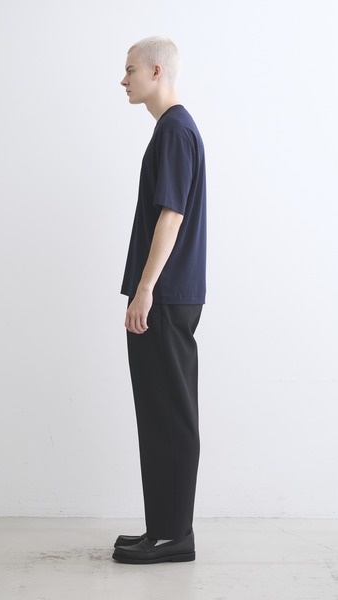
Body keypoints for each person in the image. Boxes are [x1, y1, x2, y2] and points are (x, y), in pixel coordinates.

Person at [112, 36, 207, 565]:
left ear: (155, 71)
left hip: (165, 296)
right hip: (169, 294)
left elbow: (171, 216)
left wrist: (145, 289)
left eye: (130, 70)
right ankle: (164, 529)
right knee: (160, 412)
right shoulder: (174, 129)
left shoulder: (173, 130)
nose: (123, 80)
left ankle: (173, 535)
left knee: (168, 413)